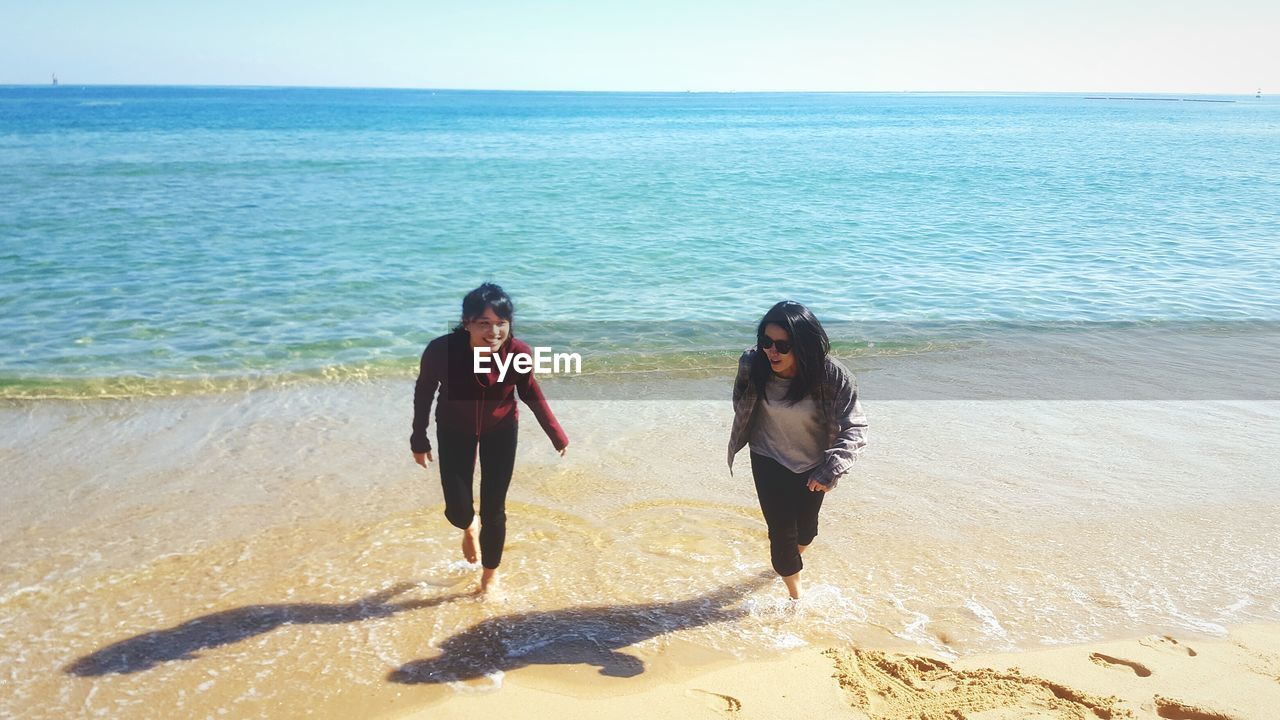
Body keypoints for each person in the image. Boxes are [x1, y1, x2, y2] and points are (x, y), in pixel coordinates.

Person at [411, 283, 568, 593]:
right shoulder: (441, 351)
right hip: (454, 429)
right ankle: (468, 526)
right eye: (484, 323)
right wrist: (419, 438)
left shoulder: (518, 352)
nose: (494, 331)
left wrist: (555, 433)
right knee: (457, 510)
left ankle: (489, 577)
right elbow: (424, 392)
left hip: (501, 431)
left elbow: (529, 391)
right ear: (467, 322)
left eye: (501, 323)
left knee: (494, 509)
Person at [728, 301, 867, 599]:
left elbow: (855, 427)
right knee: (781, 537)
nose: (771, 351)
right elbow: (741, 400)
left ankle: (790, 561)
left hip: (814, 464)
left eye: (782, 345)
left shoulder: (833, 377)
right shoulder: (753, 364)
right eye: (766, 342)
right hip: (767, 456)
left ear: (802, 345)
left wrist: (832, 468)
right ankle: (796, 599)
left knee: (806, 532)